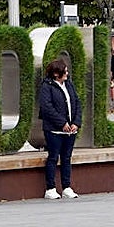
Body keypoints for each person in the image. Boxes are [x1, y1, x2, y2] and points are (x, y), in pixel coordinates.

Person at [39, 58, 81, 199]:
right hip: (54, 130)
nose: (67, 73)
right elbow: (47, 108)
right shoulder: (47, 86)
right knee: (53, 157)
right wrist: (62, 123)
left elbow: (77, 102)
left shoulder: (68, 84)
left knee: (66, 158)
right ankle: (50, 188)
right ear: (56, 73)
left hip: (70, 130)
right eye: (65, 71)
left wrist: (76, 122)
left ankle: (66, 187)